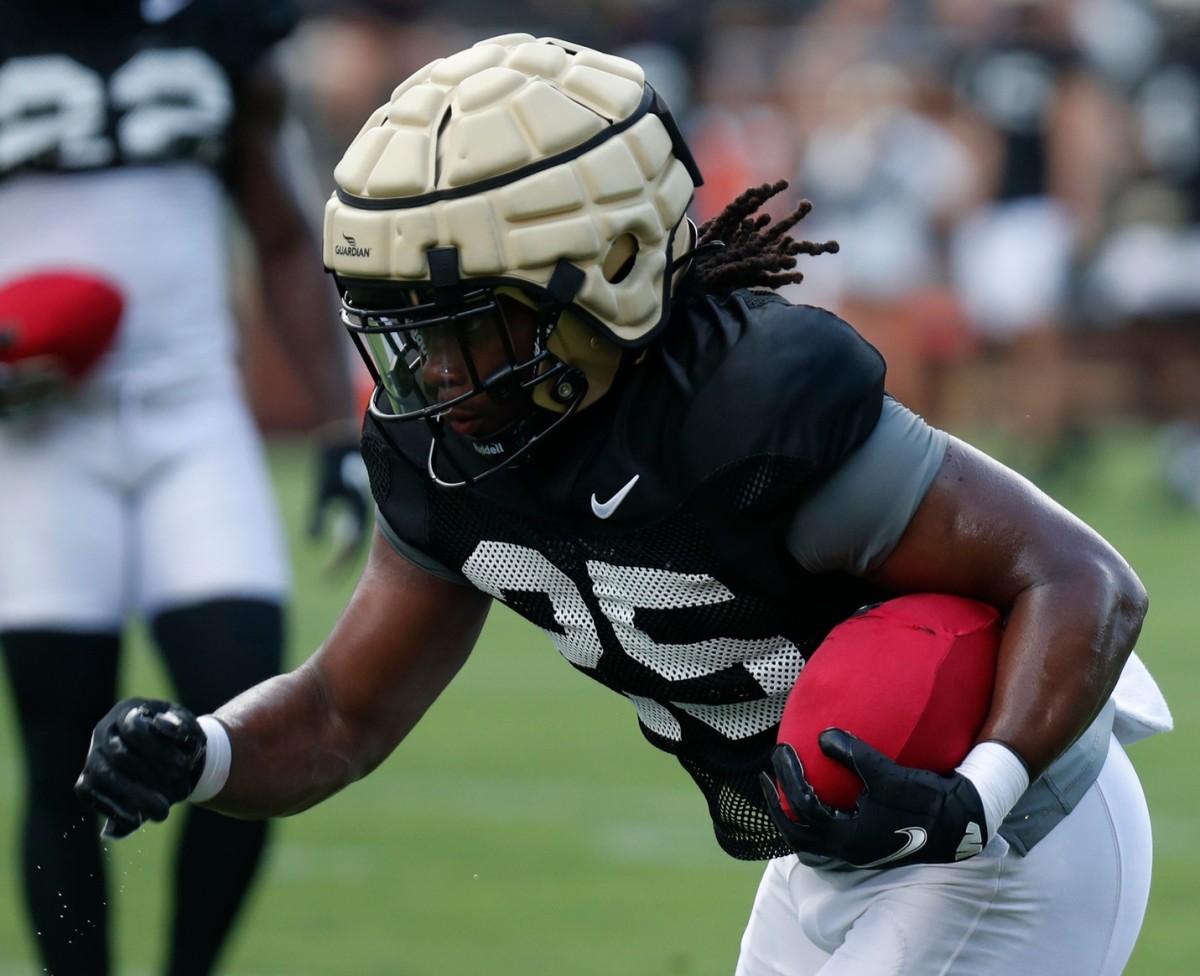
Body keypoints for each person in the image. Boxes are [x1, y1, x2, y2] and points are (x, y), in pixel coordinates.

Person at [74, 33, 1172, 976]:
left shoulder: (745, 407)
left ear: (600, 273)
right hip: (838, 843)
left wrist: (973, 798)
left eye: (462, 325)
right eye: (403, 330)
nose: (433, 375)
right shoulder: (442, 453)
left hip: (1011, 834)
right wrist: (204, 750)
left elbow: (1083, 581)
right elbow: (336, 717)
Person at [0, 2, 368, 975]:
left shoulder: (217, 29)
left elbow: (284, 232)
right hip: (39, 436)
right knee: (58, 746)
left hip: (192, 413)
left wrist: (339, 428)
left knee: (240, 717)